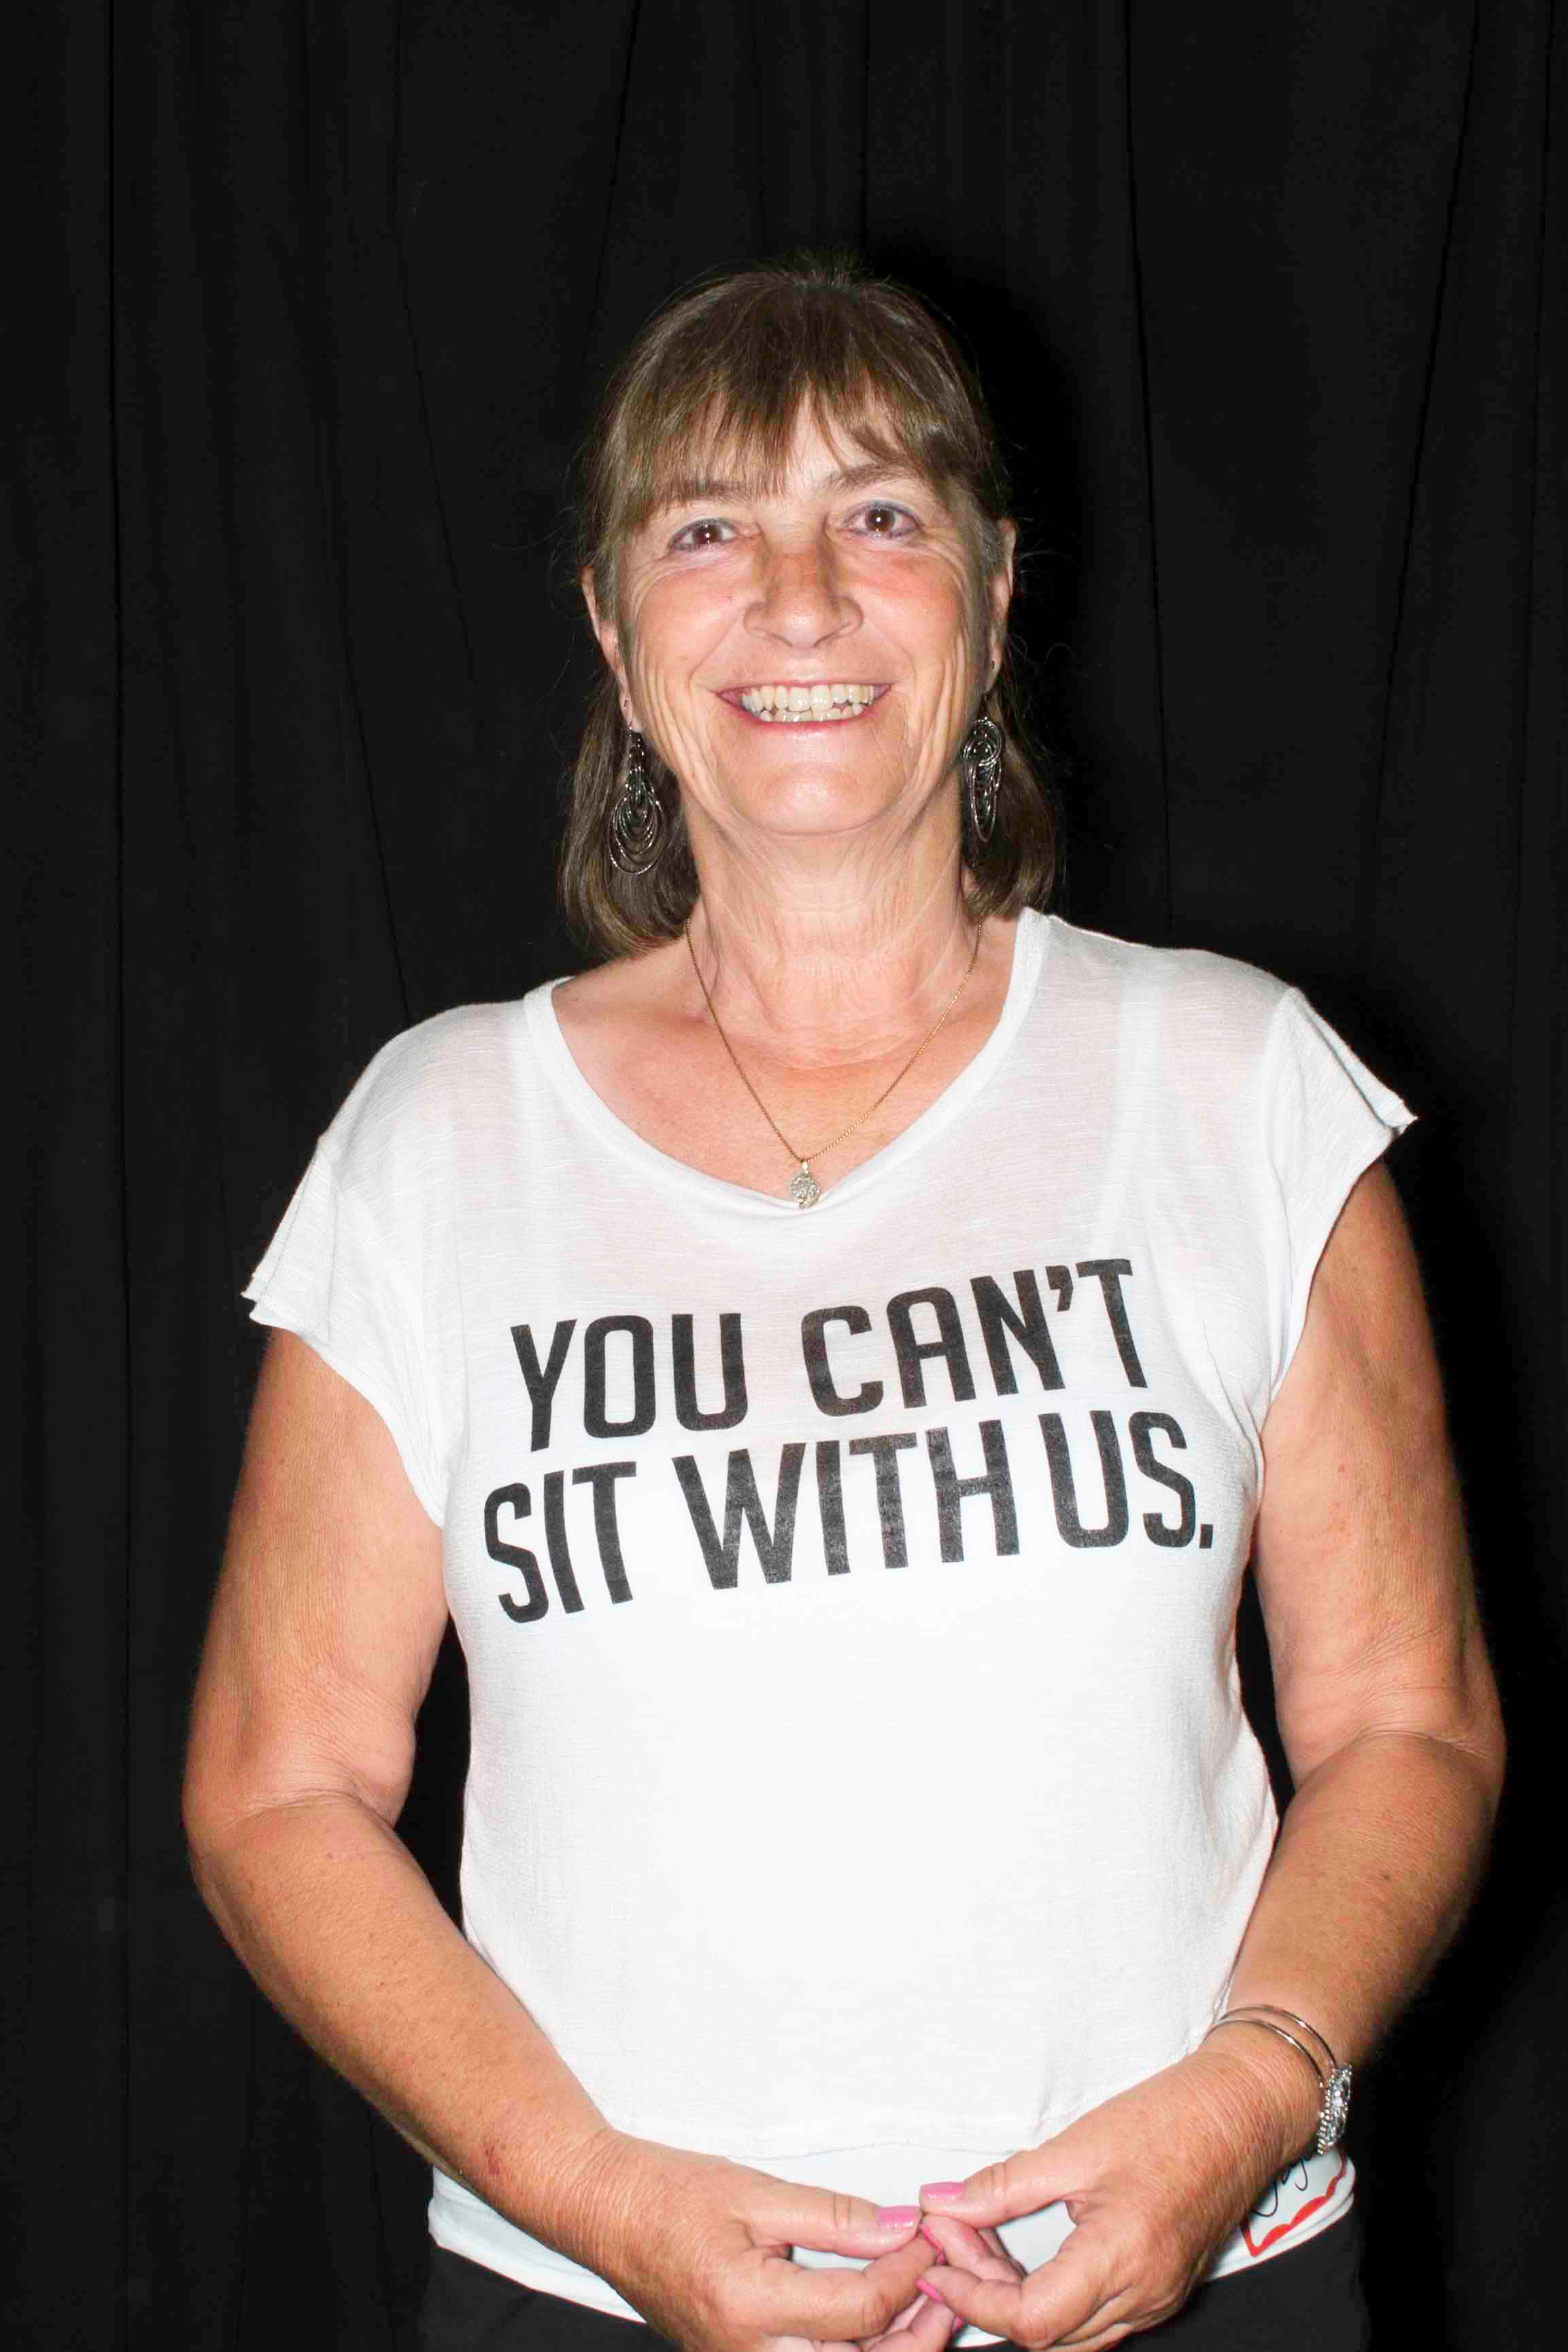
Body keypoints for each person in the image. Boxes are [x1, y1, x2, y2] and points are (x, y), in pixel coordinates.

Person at [184, 257, 1505, 2352]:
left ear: (992, 594)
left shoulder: (1236, 1082)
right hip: (586, 2300)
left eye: (879, 512)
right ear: (614, 634)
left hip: (1207, 2286)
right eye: (707, 527)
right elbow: (278, 1785)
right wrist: (594, 2193)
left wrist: (1250, 2095)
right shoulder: (438, 1138)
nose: (798, 599)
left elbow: (1404, 1721)